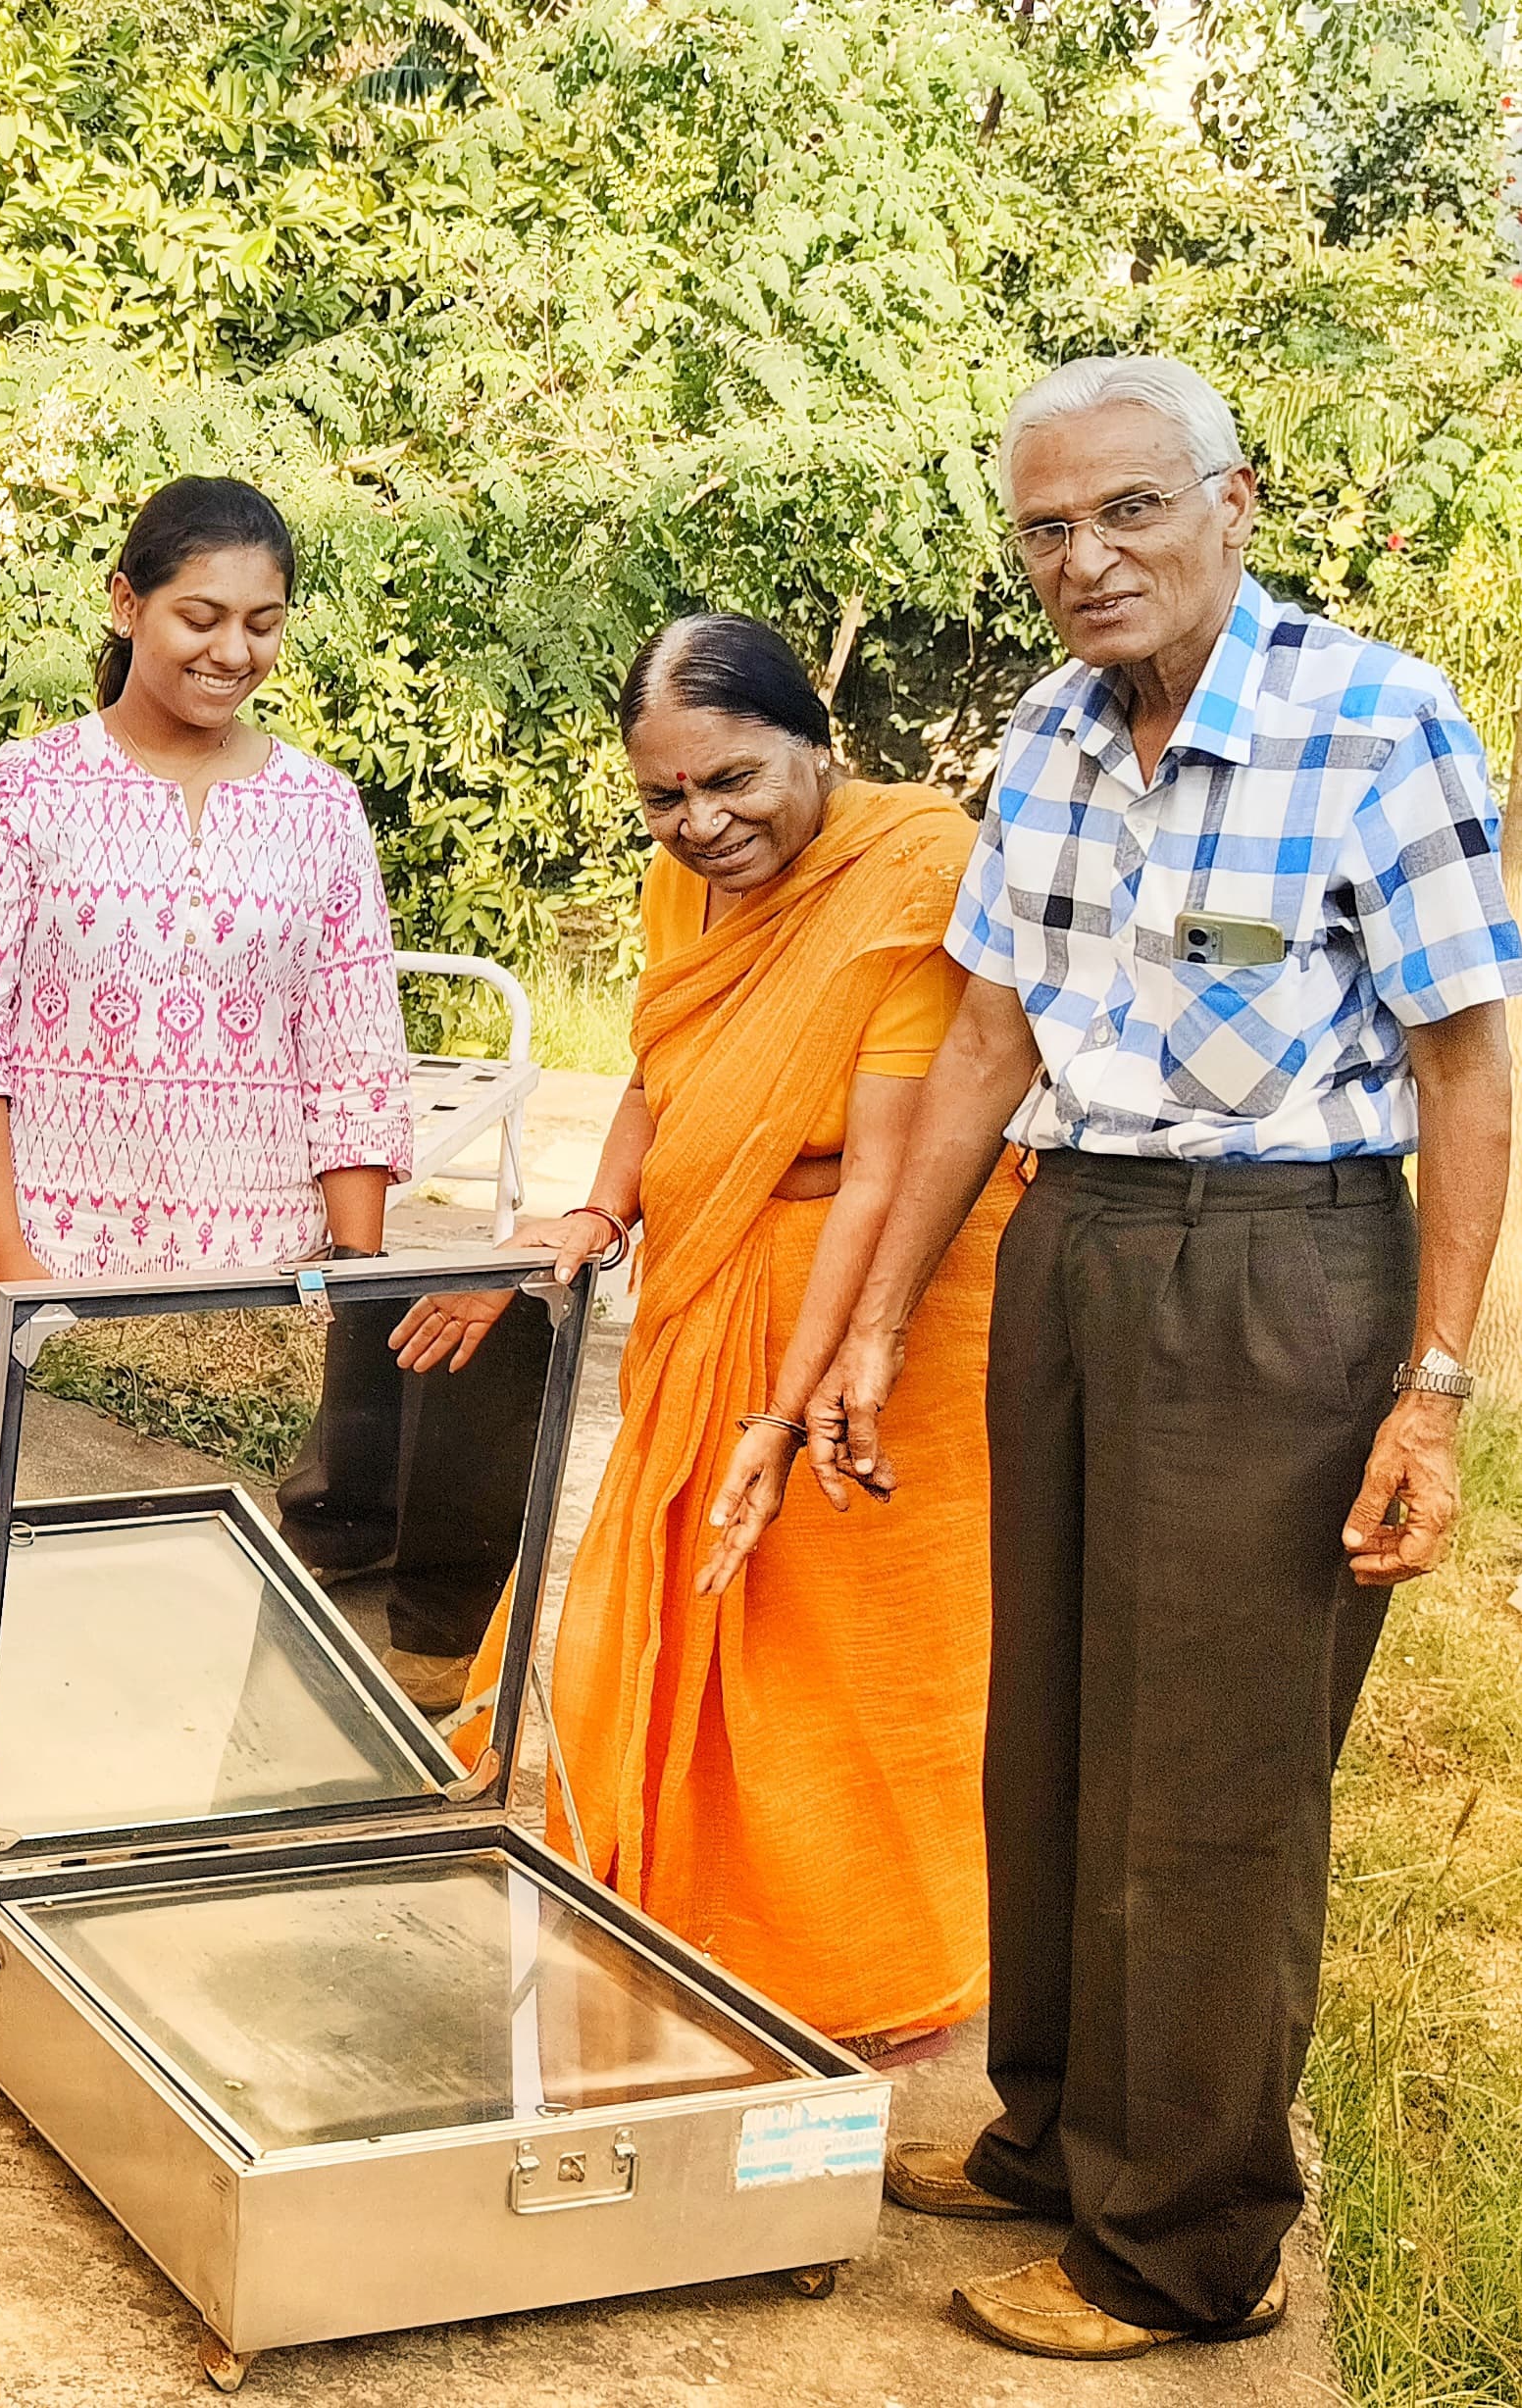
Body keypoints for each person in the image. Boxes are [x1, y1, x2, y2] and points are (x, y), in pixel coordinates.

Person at [814, 355, 1516, 2361]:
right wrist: (874, 1315)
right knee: (1048, 1721)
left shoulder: (1371, 721)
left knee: (1201, 1772)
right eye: (1042, 526)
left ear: (1228, 499)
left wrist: (1430, 1388)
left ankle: (1184, 2245)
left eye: (1123, 510)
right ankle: (1054, 2134)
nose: (1078, 558)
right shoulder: (1046, 729)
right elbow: (979, 1037)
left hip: (1276, 1266)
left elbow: (1470, 1063)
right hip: (1072, 1244)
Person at [390, 614, 1007, 2056]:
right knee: (685, 1607)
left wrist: (784, 1411)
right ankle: (687, 1921)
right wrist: (590, 1218)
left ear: (816, 742)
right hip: (713, 1282)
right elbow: (662, 1076)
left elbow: (882, 1169)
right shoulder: (689, 892)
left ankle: (860, 1970)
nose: (701, 824)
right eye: (663, 797)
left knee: (832, 1654)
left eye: (732, 782)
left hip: (876, 1305)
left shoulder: (918, 869)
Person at [0, 475, 414, 1593]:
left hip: (247, 1272)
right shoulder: (23, 790)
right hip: (50, 1245)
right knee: (47, 1598)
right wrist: (9, 1272)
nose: (233, 649)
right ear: (125, 604)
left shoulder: (317, 807)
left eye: (262, 623)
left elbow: (353, 1048)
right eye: (201, 614)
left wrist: (349, 1289)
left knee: (220, 1598)